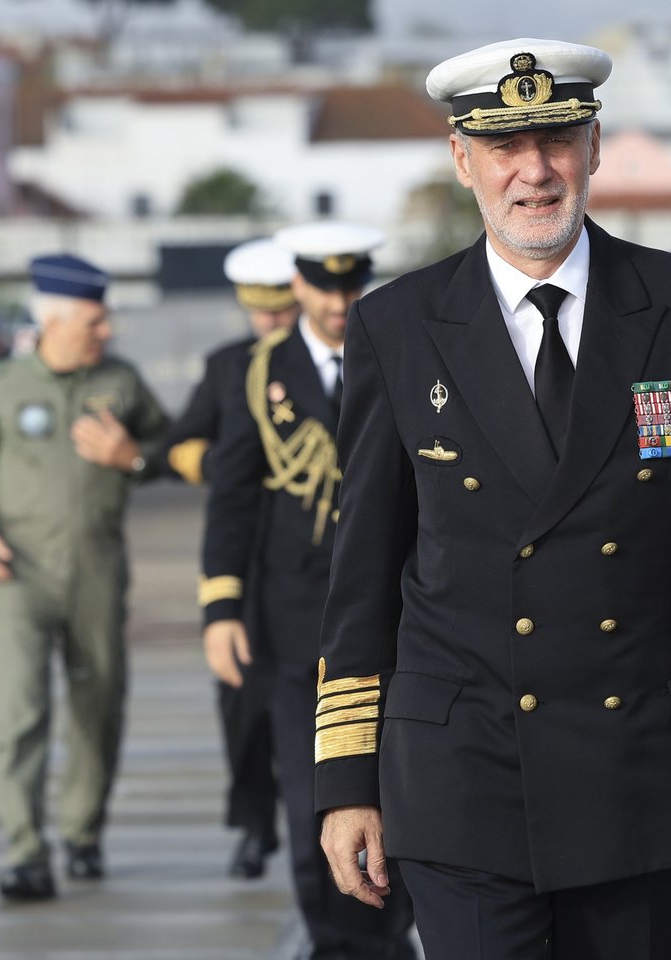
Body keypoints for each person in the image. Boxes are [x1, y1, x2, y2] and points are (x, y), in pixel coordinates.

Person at [315, 38, 671, 960]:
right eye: (504, 147)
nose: (535, 171)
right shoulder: (397, 327)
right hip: (462, 777)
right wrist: (347, 779)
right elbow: (363, 572)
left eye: (556, 140)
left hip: (634, 774)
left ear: (594, 147)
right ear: (462, 159)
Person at [198, 222, 415, 959]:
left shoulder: (400, 351)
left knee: (398, 784)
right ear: (298, 287)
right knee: (310, 790)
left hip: (392, 615)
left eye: (349, 287)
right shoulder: (259, 372)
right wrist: (221, 607)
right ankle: (334, 939)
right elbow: (232, 499)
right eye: (323, 289)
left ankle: (388, 932)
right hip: (295, 622)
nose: (337, 303)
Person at [0, 254, 169, 901]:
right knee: (21, 711)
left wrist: (133, 457)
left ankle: (83, 832)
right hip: (21, 574)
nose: (107, 330)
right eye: (95, 320)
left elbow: (172, 447)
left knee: (99, 705)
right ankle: (25, 851)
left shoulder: (120, 382)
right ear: (56, 321)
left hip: (98, 571)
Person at [156, 238, 299, 880]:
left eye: (281, 309)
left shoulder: (340, 359)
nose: (271, 321)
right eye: (260, 311)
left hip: (308, 558)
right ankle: (253, 824)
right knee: (242, 705)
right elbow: (178, 446)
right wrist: (227, 465)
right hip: (243, 558)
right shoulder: (227, 366)